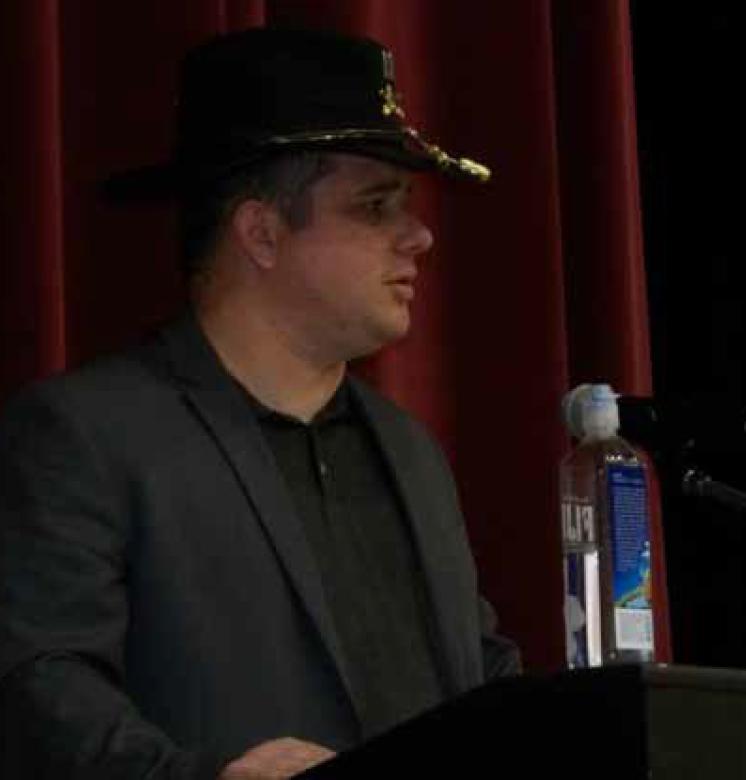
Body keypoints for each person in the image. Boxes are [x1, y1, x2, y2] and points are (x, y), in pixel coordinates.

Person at [0, 27, 520, 780]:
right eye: (377, 207)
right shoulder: (85, 434)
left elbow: (482, 678)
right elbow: (37, 689)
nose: (420, 236)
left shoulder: (410, 450)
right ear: (263, 233)